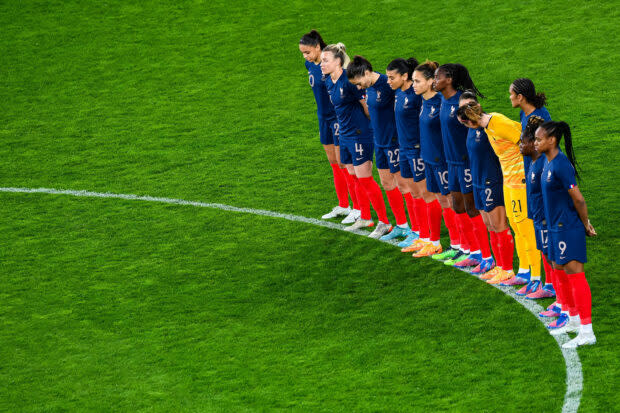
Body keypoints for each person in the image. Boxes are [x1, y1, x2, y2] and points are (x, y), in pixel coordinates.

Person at [458, 100, 541, 285]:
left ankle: (536, 276)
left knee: (525, 228)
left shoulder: (498, 122)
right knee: (517, 227)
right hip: (508, 181)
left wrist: (531, 172)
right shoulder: (488, 127)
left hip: (520, 180)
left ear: (470, 121)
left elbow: (528, 141)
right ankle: (524, 271)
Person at [535, 120, 596, 348]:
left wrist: (585, 224)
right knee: (559, 270)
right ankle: (572, 320)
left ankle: (587, 331)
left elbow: (578, 199)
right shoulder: (547, 162)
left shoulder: (561, 165)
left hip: (567, 228)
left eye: (540, 139)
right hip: (554, 227)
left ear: (552, 140)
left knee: (575, 274)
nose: (536, 142)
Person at [321, 43, 392, 237]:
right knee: (353, 177)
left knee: (365, 179)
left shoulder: (349, 81)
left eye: (325, 60)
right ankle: (365, 217)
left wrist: (372, 129)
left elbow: (367, 106)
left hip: (360, 134)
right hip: (344, 134)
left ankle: (384, 222)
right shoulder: (328, 80)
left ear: (338, 62)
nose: (322, 63)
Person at [432, 64, 491, 269]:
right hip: (452, 162)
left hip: (465, 162)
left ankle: (486, 256)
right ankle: (469, 250)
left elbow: (476, 129)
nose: (434, 80)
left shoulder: (462, 102)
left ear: (449, 79)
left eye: (437, 77)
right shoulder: (442, 99)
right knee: (457, 206)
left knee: (472, 209)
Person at [347, 56, 411, 239]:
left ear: (367, 72)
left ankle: (415, 229)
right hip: (380, 142)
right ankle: (400, 224)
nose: (359, 87)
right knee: (386, 183)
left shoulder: (387, 84)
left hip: (394, 141)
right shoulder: (370, 87)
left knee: (404, 186)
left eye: (359, 82)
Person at [299, 30, 356, 222]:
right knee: (334, 164)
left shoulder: (329, 64)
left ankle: (357, 208)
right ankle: (343, 205)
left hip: (337, 119)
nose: (305, 57)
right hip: (323, 118)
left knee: (344, 163)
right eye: (303, 53)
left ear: (317, 47)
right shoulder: (311, 64)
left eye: (307, 52)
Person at [407, 61, 460, 258]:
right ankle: (436, 243)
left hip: (442, 161)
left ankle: (460, 246)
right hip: (428, 159)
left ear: (431, 82)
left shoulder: (440, 103)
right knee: (439, 200)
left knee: (451, 203)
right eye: (412, 80)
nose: (413, 85)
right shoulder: (424, 101)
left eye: (417, 81)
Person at [457, 92, 507, 275]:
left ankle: (506, 268)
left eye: (469, 106)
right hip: (477, 182)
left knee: (499, 225)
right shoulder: (470, 129)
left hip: (491, 182)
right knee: (489, 225)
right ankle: (496, 264)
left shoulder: (490, 128)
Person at [386, 57, 433, 250]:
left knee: (424, 194)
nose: (388, 81)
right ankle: (418, 232)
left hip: (416, 150)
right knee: (413, 193)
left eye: (391, 78)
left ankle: (429, 235)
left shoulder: (415, 97)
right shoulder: (399, 94)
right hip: (403, 149)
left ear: (404, 76)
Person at [519, 116, 557, 300]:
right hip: (538, 216)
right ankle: (553, 289)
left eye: (522, 142)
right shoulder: (534, 163)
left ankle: (558, 294)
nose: (519, 146)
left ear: (533, 144)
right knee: (546, 253)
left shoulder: (542, 164)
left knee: (552, 258)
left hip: (544, 218)